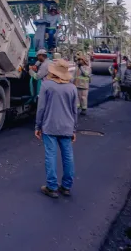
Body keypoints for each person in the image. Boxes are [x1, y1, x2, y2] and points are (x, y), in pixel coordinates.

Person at [35, 59, 78, 198]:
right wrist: (74, 129)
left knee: (51, 156)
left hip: (49, 126)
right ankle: (66, 187)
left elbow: (41, 108)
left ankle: (52, 187)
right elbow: (74, 111)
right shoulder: (72, 88)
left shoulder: (46, 86)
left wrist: (38, 126)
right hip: (67, 127)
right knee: (68, 157)